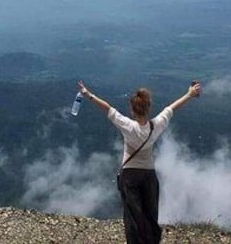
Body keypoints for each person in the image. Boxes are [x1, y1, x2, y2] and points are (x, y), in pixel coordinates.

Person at [77, 80, 202, 244]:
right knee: (150, 214)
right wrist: (189, 94)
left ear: (132, 109)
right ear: (148, 107)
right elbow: (171, 108)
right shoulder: (156, 126)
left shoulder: (127, 125)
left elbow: (107, 108)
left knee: (132, 216)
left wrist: (88, 94)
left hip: (129, 175)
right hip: (149, 175)